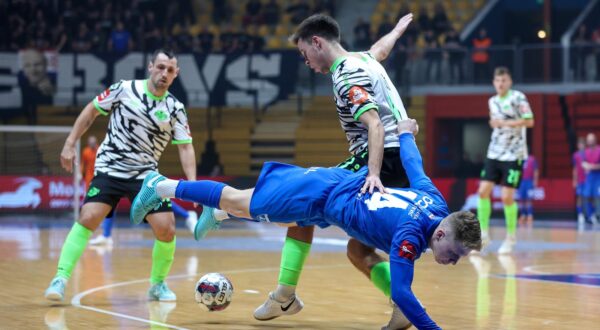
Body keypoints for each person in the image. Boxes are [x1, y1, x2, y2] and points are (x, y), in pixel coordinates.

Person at [131, 119, 482, 330]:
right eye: (455, 252)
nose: (454, 260)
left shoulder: (435, 202)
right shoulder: (409, 238)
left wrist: (406, 134)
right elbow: (405, 291)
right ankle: (161, 185)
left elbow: (414, 164)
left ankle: (223, 218)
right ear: (440, 233)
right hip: (319, 196)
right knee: (237, 199)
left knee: (352, 249)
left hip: (334, 195)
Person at [235, 13, 414, 327]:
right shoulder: (364, 59)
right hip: (404, 159)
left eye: (305, 53)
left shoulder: (346, 73)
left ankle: (227, 212)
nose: (306, 62)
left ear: (317, 42)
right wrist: (396, 32)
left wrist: (372, 173)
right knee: (358, 251)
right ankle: (405, 306)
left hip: (381, 159)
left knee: (301, 203)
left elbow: (374, 124)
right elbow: (380, 50)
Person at [44, 49, 196, 302]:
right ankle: (60, 278)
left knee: (167, 229)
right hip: (110, 169)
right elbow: (91, 111)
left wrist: (192, 185)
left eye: (170, 70)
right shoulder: (124, 89)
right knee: (88, 217)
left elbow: (185, 146)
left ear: (176, 74)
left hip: (146, 176)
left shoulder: (175, 108)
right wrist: (70, 143)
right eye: (160, 67)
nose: (164, 73)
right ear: (150, 67)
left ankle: (157, 285)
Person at [477, 67, 534, 254]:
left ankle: (511, 237)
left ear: (510, 82)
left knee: (506, 196)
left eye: (504, 80)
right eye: (498, 81)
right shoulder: (492, 101)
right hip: (495, 151)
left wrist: (505, 123)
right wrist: (495, 124)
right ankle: (483, 235)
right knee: (483, 191)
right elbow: (495, 122)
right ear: (494, 82)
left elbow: (529, 120)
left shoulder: (518, 98)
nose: (500, 84)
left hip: (514, 153)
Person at [18, 48, 56, 124]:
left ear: (45, 65)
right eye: (27, 65)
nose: (33, 69)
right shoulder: (21, 85)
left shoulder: (52, 84)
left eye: (37, 64)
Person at [582, 132, 600, 226]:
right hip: (589, 178)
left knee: (598, 196)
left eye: (591, 139)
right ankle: (588, 216)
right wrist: (585, 166)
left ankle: (598, 215)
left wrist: (592, 167)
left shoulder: (599, 150)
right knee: (586, 196)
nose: (589, 141)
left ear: (595, 140)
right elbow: (583, 163)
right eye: (588, 139)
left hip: (598, 177)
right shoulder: (586, 151)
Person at [517, 155, 538, 225]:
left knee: (529, 199)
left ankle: (530, 215)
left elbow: (536, 170)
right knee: (521, 199)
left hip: (529, 181)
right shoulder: (520, 159)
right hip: (521, 181)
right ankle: (523, 215)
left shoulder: (532, 159)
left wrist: (535, 181)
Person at [573, 136, 588, 227]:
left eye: (582, 144)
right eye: (579, 144)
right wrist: (574, 180)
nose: (581, 146)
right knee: (579, 197)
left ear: (585, 145)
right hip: (580, 179)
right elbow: (574, 168)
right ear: (578, 145)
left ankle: (588, 214)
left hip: (587, 180)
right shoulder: (575, 155)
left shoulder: (587, 154)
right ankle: (580, 214)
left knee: (587, 197)